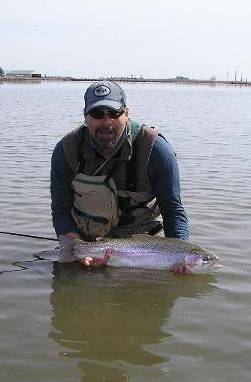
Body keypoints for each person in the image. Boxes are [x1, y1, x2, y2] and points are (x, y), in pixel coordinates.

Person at [50, 80, 190, 273]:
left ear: (127, 113)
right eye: (97, 114)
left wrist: (180, 255)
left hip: (144, 248)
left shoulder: (156, 151)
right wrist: (77, 249)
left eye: (114, 113)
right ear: (85, 116)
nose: (107, 122)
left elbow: (173, 209)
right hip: (88, 243)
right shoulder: (66, 150)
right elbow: (60, 209)